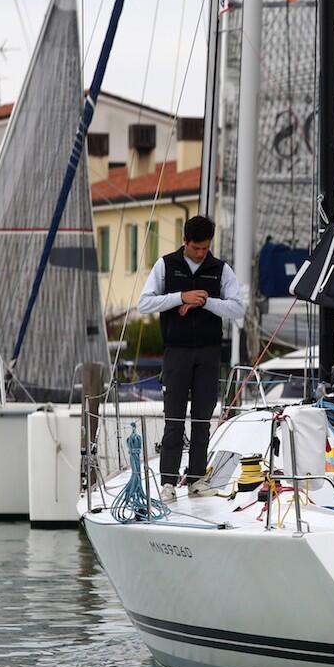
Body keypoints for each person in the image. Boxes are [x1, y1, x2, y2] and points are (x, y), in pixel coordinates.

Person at [137, 215, 246, 502]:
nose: (201, 253)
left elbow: (237, 309)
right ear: (185, 242)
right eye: (196, 248)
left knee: (202, 418)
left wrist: (206, 301)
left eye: (205, 248)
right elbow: (144, 303)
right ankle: (168, 482)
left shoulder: (221, 270)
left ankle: (197, 478)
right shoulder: (165, 265)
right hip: (177, 351)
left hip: (209, 353)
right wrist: (181, 297)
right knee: (174, 418)